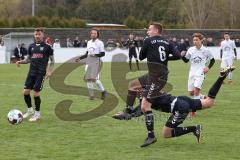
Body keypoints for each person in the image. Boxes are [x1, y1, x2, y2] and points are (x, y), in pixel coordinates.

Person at [113, 66, 235, 147]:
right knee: (209, 102)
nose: (135, 92)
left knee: (166, 134)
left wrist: (125, 116)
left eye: (136, 89)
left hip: (180, 108)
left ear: (140, 88)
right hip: (180, 100)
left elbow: (140, 111)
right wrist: (126, 115)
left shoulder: (147, 94)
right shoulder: (147, 93)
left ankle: (194, 129)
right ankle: (221, 77)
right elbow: (140, 109)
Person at [113, 22, 186, 146]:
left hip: (156, 77)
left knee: (145, 106)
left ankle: (151, 136)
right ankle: (128, 111)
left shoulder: (148, 40)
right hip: (157, 74)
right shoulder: (168, 42)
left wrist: (148, 50)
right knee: (132, 85)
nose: (147, 31)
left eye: (149, 29)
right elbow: (178, 56)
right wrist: (163, 57)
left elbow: (141, 57)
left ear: (156, 31)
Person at [16, 28, 54, 122]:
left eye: (39, 34)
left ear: (42, 35)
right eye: (36, 34)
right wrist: (20, 61)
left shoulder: (48, 47)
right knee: (25, 92)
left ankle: (37, 114)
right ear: (34, 35)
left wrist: (49, 71)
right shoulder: (31, 46)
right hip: (31, 73)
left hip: (40, 73)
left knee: (36, 93)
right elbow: (28, 59)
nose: (37, 36)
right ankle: (30, 111)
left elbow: (52, 61)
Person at [75, 28, 106, 100]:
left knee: (95, 80)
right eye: (92, 33)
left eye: (95, 33)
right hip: (89, 62)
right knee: (88, 79)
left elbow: (103, 53)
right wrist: (80, 58)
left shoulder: (100, 43)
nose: (93, 34)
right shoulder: (89, 42)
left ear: (97, 34)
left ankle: (103, 91)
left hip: (96, 62)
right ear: (90, 34)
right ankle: (91, 95)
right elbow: (87, 54)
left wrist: (95, 55)